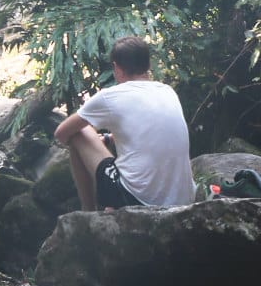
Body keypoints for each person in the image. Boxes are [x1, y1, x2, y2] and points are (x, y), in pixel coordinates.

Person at [53, 35, 196, 210]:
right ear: (148, 65)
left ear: (116, 68)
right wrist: (108, 139)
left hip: (140, 200)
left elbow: (62, 133)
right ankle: (110, 206)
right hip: (184, 200)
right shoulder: (167, 91)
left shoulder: (110, 97)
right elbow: (148, 132)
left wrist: (101, 139)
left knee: (79, 132)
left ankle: (88, 211)